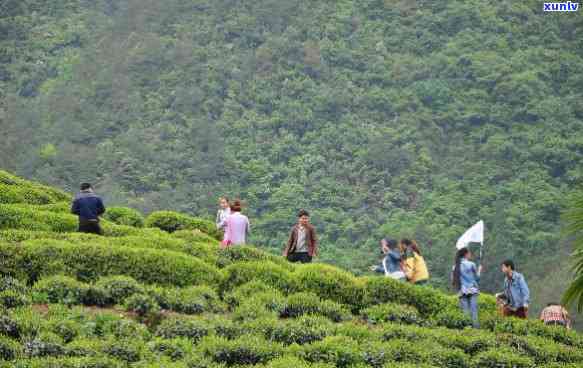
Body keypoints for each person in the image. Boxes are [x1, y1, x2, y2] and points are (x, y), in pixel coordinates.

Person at [452, 248, 482, 328]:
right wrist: (479, 270)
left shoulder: (455, 266)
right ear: (465, 254)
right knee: (474, 311)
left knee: (465, 312)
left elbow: (453, 280)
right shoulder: (471, 264)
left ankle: (467, 329)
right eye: (469, 253)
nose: (470, 255)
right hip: (472, 289)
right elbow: (477, 278)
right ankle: (476, 330)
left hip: (462, 290)